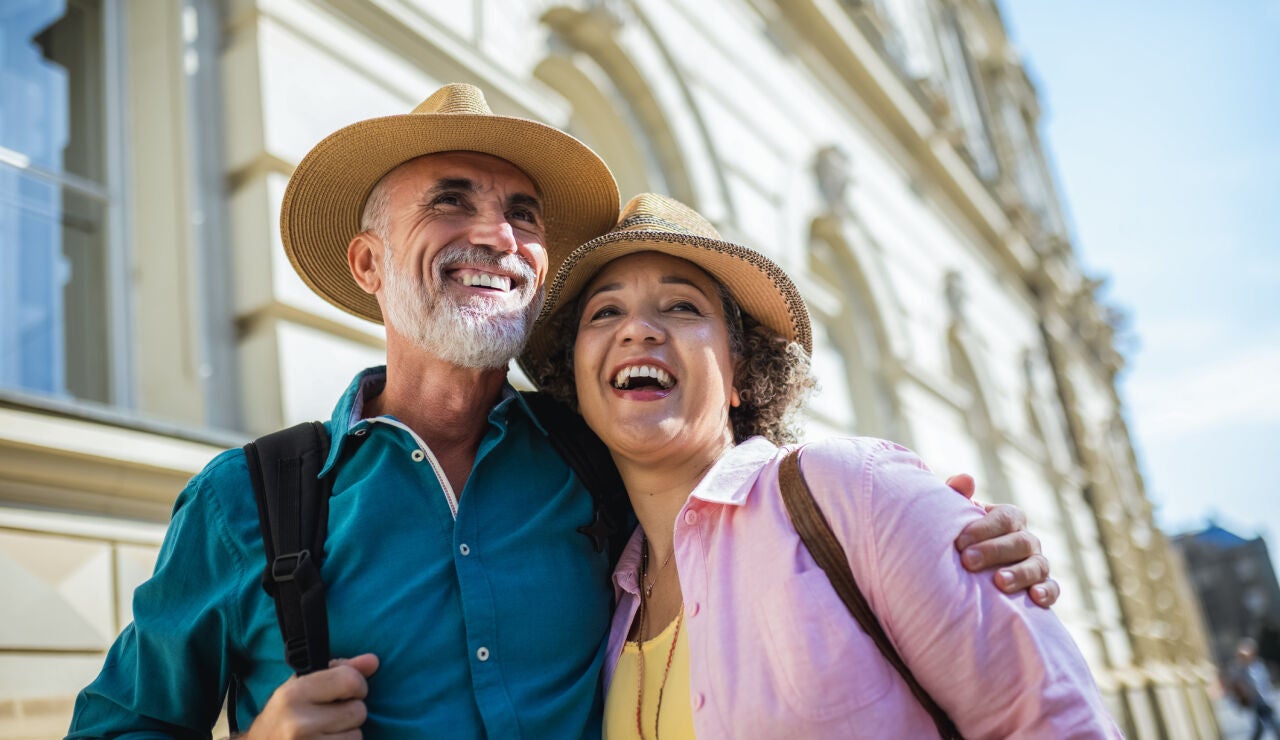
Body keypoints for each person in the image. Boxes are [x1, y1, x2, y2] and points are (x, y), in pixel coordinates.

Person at [69, 86, 1055, 737]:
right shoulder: (243, 502)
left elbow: (768, 498)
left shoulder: (606, 455)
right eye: (451, 202)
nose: (496, 233)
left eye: (523, 214)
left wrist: (956, 539)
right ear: (369, 262)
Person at [521, 192, 1122, 738]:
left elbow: (1056, 722)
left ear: (740, 372)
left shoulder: (854, 492)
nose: (637, 330)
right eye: (604, 313)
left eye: (680, 306)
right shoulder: (610, 594)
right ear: (576, 380)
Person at [1228, 638, 1280, 739]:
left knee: (1264, 724)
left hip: (1264, 698)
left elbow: (1264, 682)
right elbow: (1236, 686)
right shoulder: (1239, 670)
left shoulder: (1258, 665)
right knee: (1269, 722)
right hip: (1255, 701)